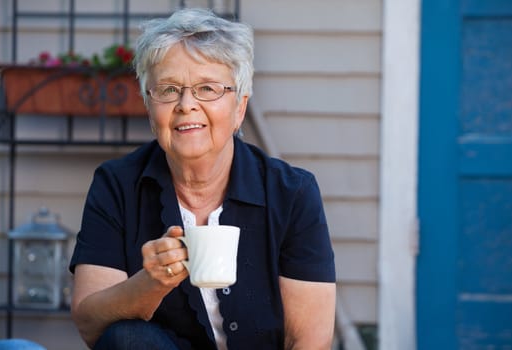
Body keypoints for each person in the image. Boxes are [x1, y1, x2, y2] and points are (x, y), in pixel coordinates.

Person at [69, 8, 336, 350]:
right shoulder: (117, 185)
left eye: (207, 88)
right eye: (167, 89)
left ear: (239, 107)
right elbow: (91, 324)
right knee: (129, 338)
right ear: (150, 107)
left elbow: (308, 340)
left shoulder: (292, 193)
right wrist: (149, 283)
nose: (186, 104)